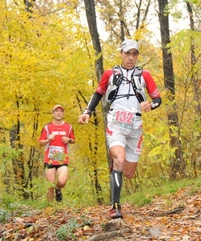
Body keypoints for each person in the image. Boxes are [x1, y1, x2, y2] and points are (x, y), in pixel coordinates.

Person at [78, 39, 162, 219]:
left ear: (137, 55)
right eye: (127, 54)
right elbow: (99, 93)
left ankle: (115, 168)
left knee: (129, 173)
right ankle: (115, 207)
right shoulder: (110, 73)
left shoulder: (144, 75)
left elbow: (157, 99)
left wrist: (151, 105)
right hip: (115, 123)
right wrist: (88, 111)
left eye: (134, 54)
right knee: (120, 159)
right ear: (121, 54)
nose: (131, 58)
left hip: (135, 127)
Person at [39, 105, 75, 202]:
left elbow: (73, 140)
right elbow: (40, 143)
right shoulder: (47, 127)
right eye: (56, 111)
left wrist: (68, 140)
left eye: (61, 111)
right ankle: (50, 209)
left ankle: (58, 188)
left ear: (63, 114)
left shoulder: (68, 126)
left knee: (62, 182)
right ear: (53, 113)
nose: (59, 113)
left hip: (62, 159)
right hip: (49, 159)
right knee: (50, 185)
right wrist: (48, 140)